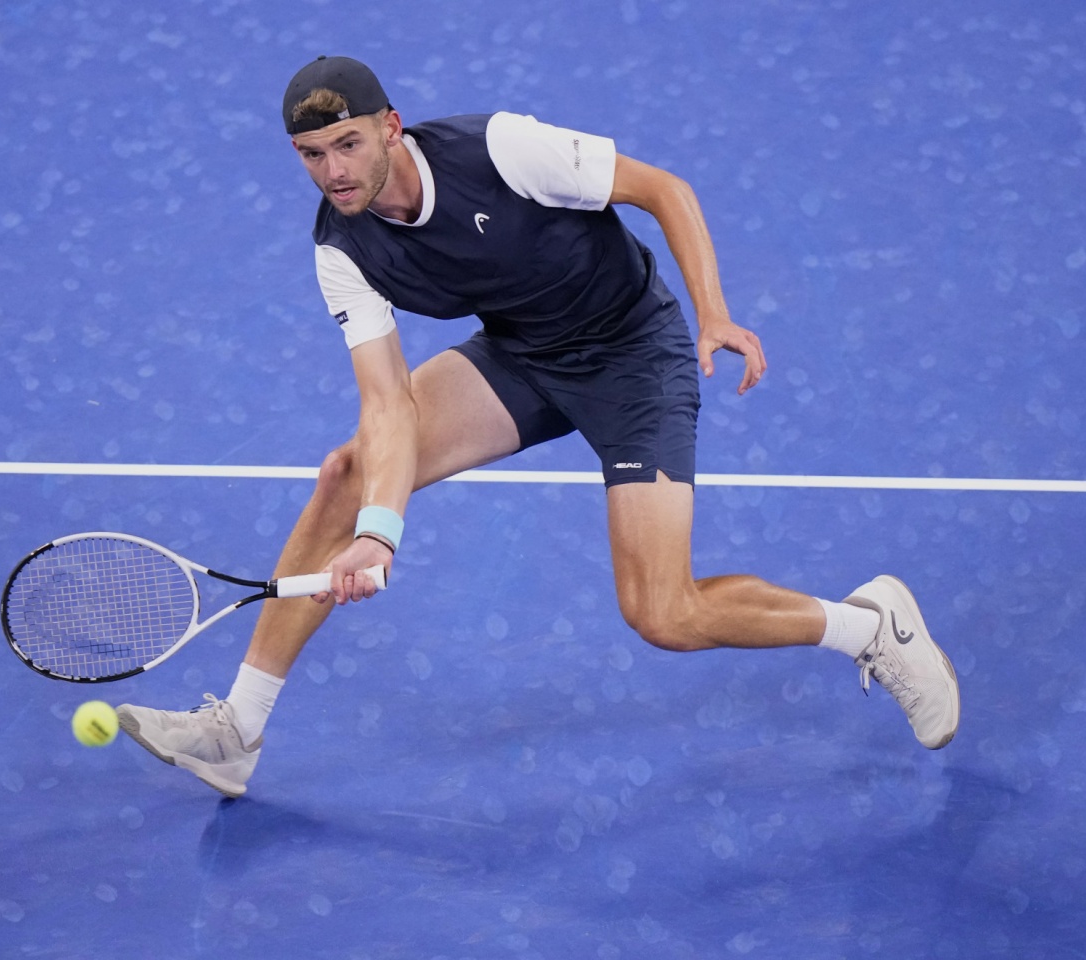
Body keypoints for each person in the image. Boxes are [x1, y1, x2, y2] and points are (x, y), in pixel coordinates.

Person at [117, 56, 960, 798]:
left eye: (348, 144)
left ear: (391, 128)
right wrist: (378, 530)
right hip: (523, 355)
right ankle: (238, 730)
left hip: (632, 356)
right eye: (311, 155)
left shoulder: (500, 149)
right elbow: (388, 406)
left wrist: (713, 313)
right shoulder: (342, 248)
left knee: (663, 613)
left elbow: (665, 190)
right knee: (348, 474)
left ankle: (868, 626)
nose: (333, 172)